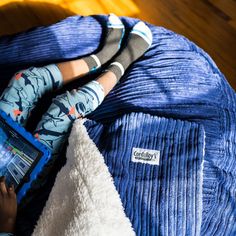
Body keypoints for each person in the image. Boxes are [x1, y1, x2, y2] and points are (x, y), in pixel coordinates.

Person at [0, 13, 153, 235]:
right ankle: (121, 64)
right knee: (65, 109)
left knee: (24, 81)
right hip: (13, 190)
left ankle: (100, 57)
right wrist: (7, 221)